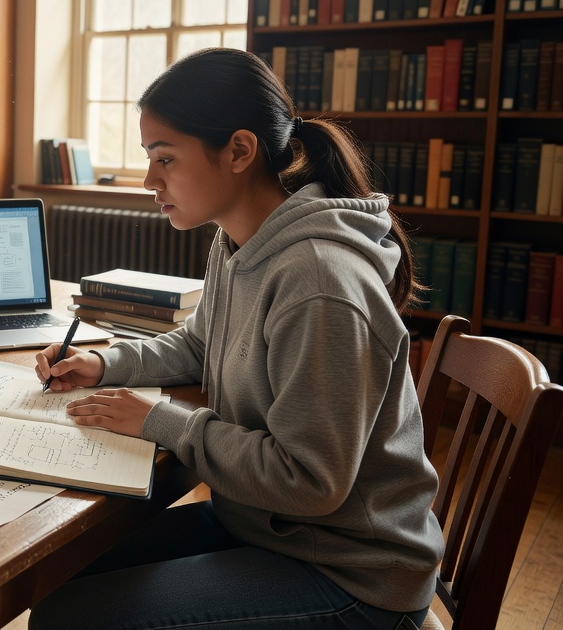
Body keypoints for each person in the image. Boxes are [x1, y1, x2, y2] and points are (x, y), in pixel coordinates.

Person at [30, 48, 443, 629]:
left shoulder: (319, 281)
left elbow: (310, 481)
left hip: (352, 573)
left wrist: (160, 419)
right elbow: (201, 345)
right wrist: (104, 363)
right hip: (268, 528)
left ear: (240, 151)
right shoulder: (238, 242)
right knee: (58, 584)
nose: (150, 180)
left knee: (73, 620)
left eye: (165, 158)